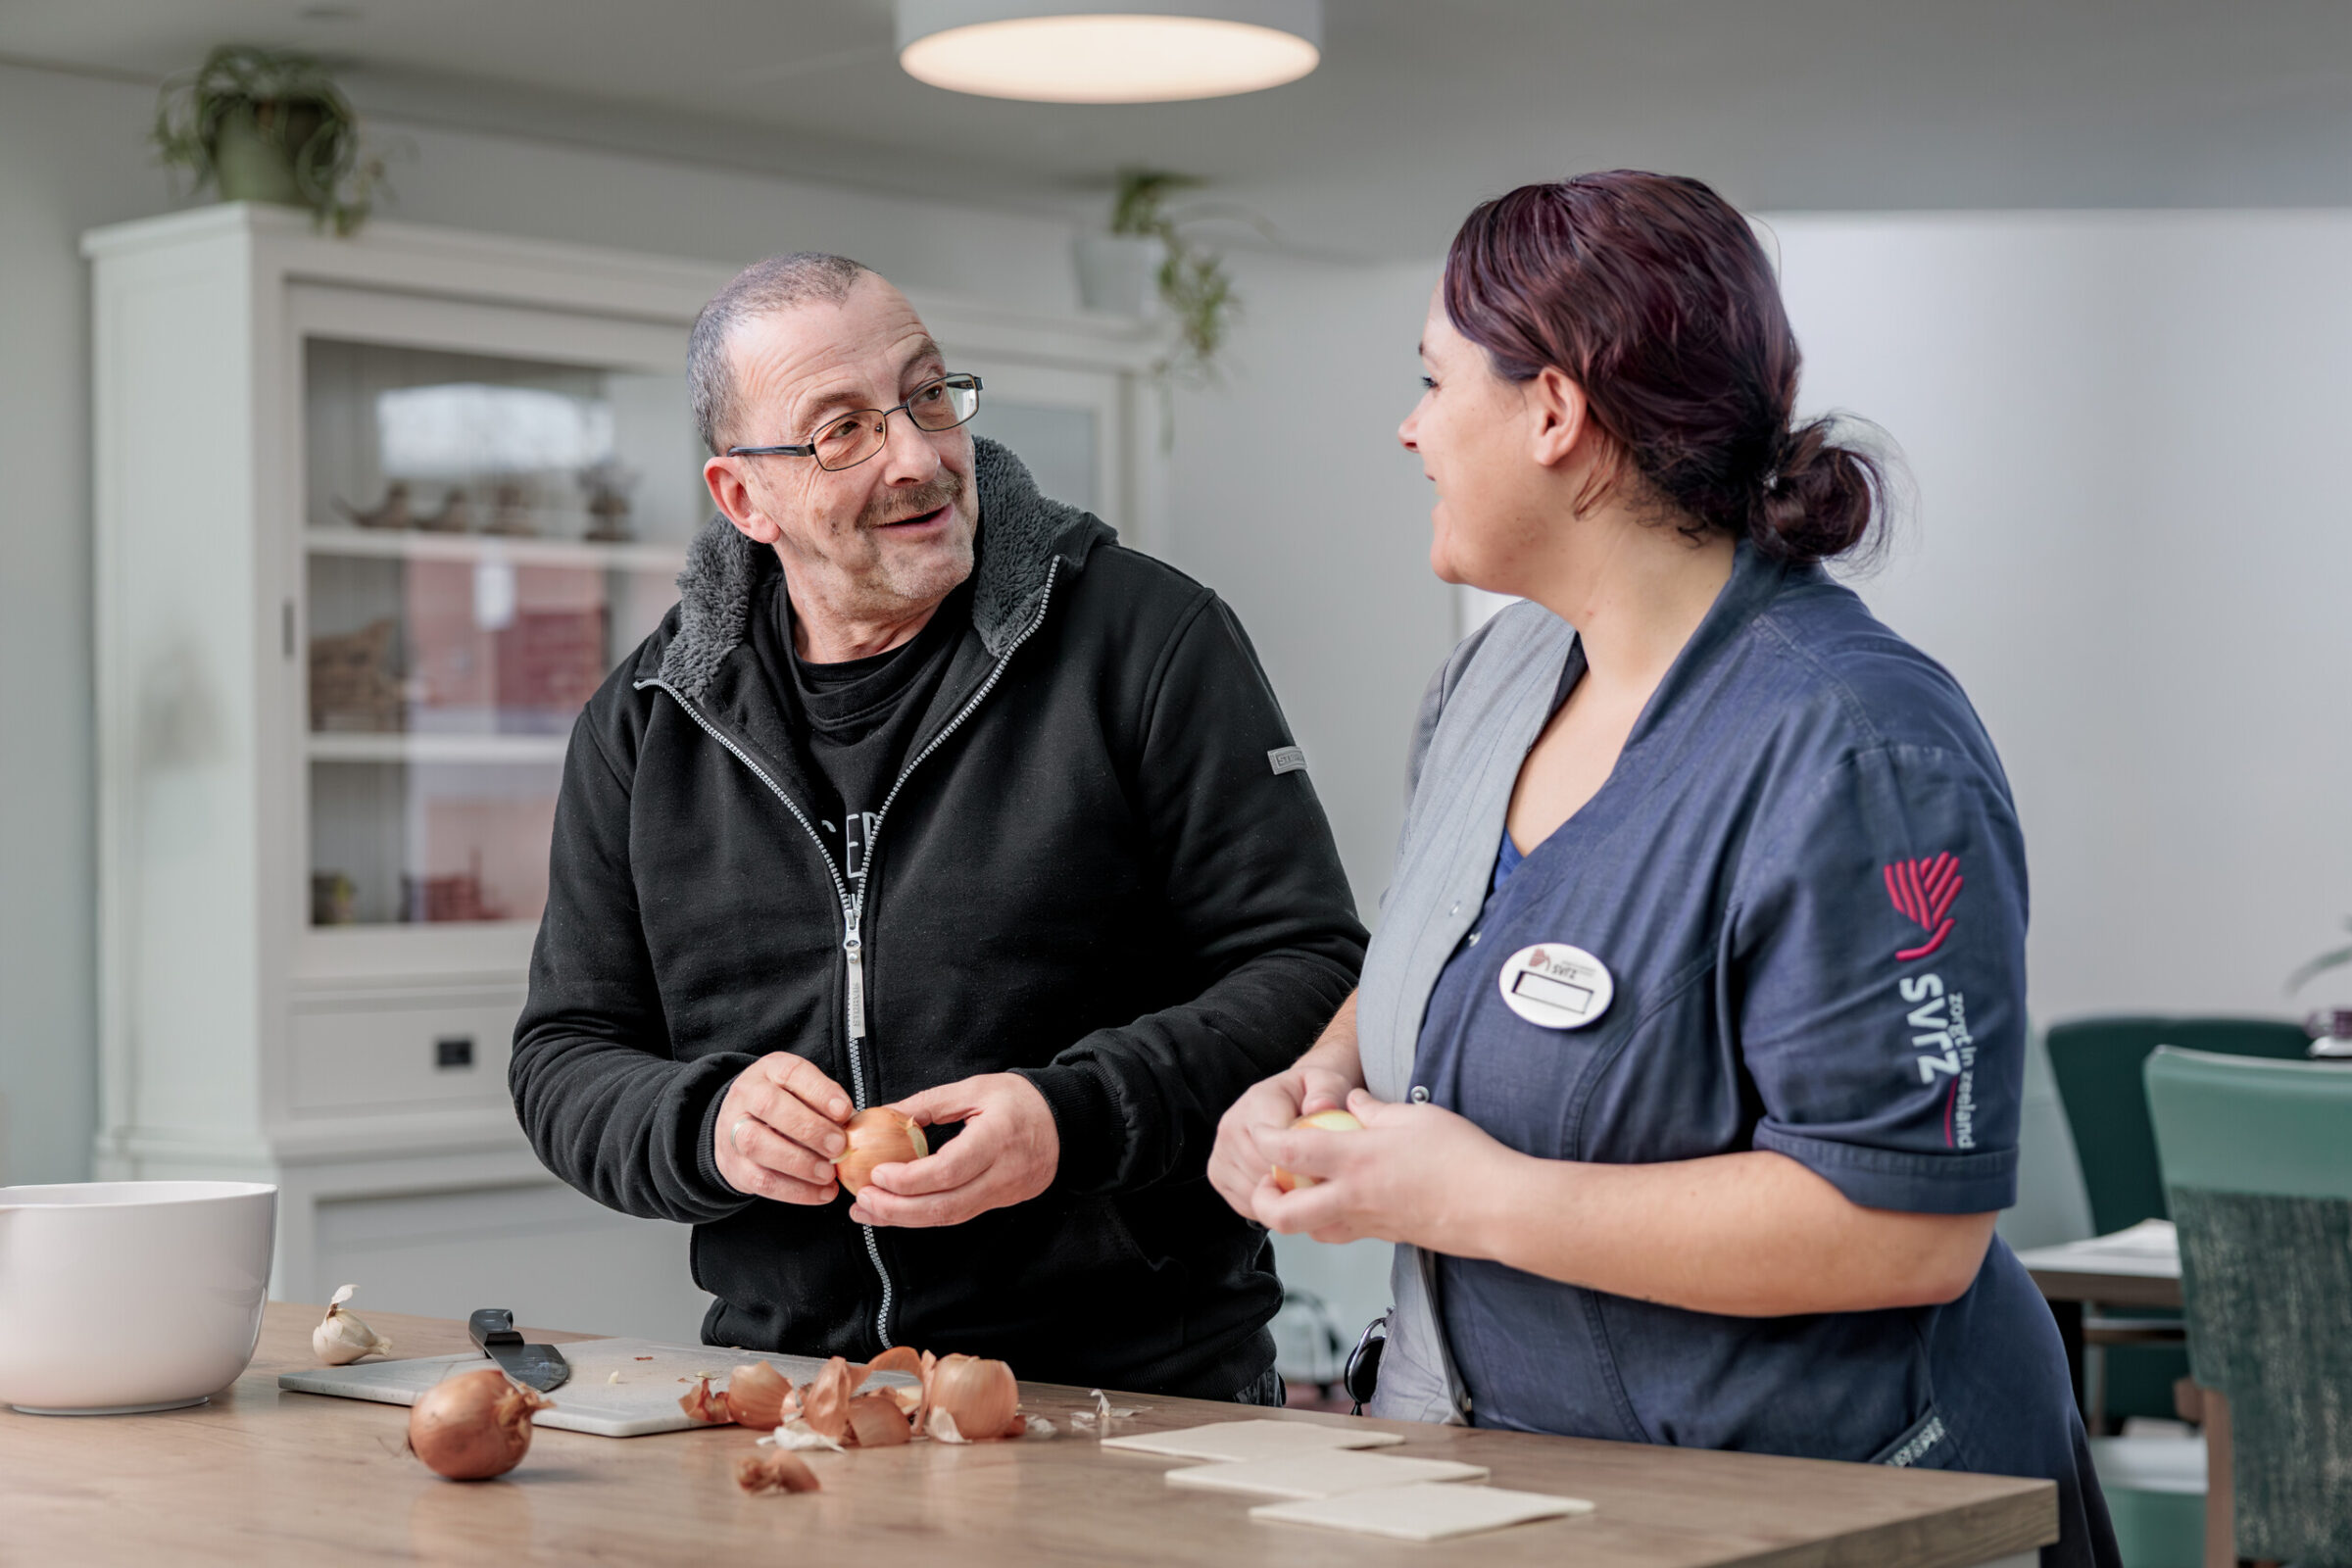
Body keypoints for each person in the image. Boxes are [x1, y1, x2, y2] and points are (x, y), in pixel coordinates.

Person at [1208, 173, 2118, 1565]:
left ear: (1554, 414)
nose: (1410, 427)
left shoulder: (1861, 747)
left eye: (1433, 382)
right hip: (1524, 1494)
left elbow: (1906, 1231)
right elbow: (1448, 938)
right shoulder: (1491, 682)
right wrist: (1320, 1079)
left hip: (1834, 1509)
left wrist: (1471, 1198)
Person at [513, 252, 1366, 1400]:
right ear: (744, 499)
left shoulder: (1150, 641)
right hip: (799, 1397)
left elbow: (1311, 972)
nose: (917, 457)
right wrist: (706, 1124)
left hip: (1142, 1393)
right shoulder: (647, 721)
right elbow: (565, 1055)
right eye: (843, 432)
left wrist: (1072, 1118)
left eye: (926, 396)